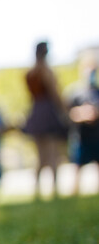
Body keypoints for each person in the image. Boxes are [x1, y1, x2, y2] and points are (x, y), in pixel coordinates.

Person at [22, 41, 69, 198]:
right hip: (48, 112)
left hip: (36, 112)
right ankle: (54, 189)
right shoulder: (46, 72)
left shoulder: (30, 73)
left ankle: (37, 190)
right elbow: (55, 94)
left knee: (41, 156)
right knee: (53, 153)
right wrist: (64, 112)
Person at [67, 61, 99, 195]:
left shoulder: (97, 92)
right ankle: (75, 193)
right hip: (81, 136)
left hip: (96, 135)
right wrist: (82, 114)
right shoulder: (75, 92)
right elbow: (68, 113)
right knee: (78, 166)